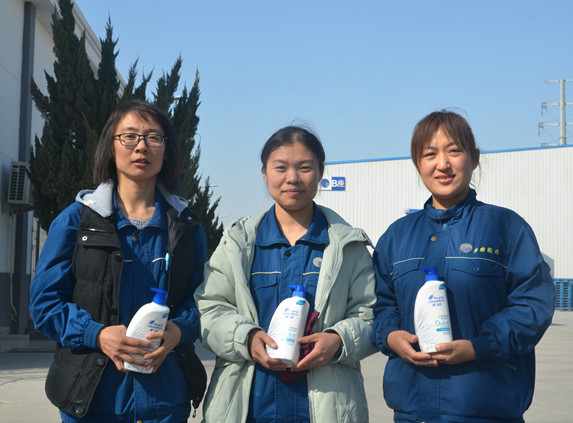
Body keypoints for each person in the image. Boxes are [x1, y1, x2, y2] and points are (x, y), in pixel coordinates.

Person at [371, 110, 555, 423]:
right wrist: (390, 336)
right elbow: (381, 305)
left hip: (487, 410)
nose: (442, 164)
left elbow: (532, 307)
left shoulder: (506, 227)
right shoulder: (396, 236)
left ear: (474, 158)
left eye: (454, 151)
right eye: (430, 154)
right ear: (417, 163)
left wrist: (479, 346)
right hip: (412, 411)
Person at [29, 100, 207, 423]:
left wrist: (179, 331)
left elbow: (203, 302)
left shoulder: (187, 227)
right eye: (129, 136)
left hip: (166, 402)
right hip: (92, 402)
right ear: (110, 147)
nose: (142, 146)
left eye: (154, 137)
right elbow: (44, 305)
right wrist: (96, 334)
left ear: (166, 151)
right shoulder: (75, 222)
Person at [195, 126, 377, 423]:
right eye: (280, 168)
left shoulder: (348, 245)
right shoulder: (238, 243)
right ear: (265, 173)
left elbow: (371, 312)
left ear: (320, 173)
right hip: (251, 409)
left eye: (305, 167)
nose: (292, 178)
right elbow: (209, 307)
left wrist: (338, 340)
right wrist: (246, 337)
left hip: (326, 408)